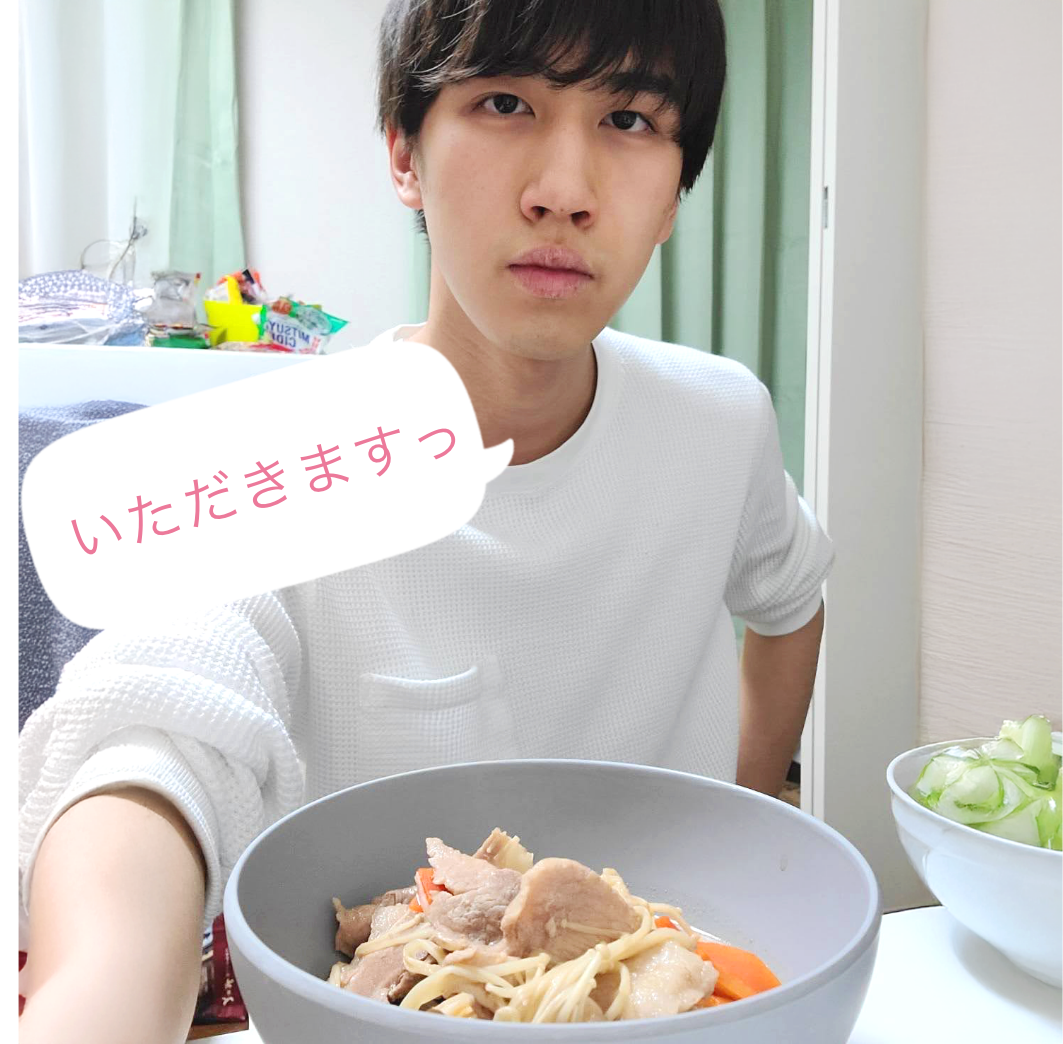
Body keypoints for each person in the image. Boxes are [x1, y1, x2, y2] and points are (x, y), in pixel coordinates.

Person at [17, 1, 832, 1040]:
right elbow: (157, 731)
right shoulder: (280, 460)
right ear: (405, 153)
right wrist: (101, 991)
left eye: (629, 120)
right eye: (504, 104)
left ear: (674, 194)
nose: (563, 191)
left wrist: (741, 830)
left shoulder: (719, 421)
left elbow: (789, 598)